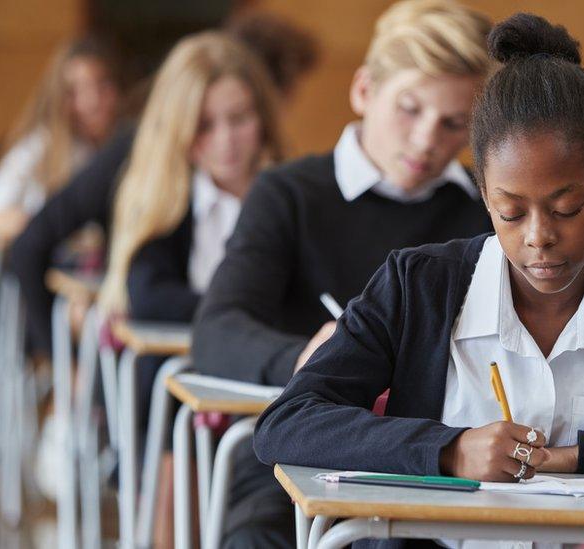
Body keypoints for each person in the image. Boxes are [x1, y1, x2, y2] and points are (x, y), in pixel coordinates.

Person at [254, 13, 584, 549]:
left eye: (567, 208)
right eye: (511, 212)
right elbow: (288, 423)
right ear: (483, 192)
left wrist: (580, 456)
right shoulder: (418, 285)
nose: (539, 237)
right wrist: (449, 450)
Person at [192, 1, 494, 546]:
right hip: (296, 464)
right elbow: (217, 329)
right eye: (409, 108)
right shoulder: (289, 195)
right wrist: (306, 359)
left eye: (454, 124)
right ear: (363, 91)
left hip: (440, 464)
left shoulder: (489, 210)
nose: (427, 140)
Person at [6, 12, 318, 359]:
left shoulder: (291, 191)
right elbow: (149, 297)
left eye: (240, 118)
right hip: (173, 387)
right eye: (204, 126)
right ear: (179, 127)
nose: (225, 140)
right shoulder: (162, 191)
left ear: (263, 115)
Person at [0, 36, 122, 245]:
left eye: (102, 85)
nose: (92, 101)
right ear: (60, 96)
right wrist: (54, 228)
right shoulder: (39, 147)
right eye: (76, 90)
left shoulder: (122, 146)